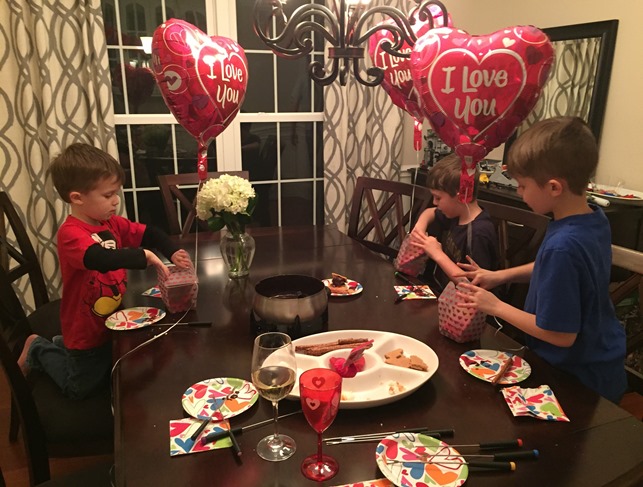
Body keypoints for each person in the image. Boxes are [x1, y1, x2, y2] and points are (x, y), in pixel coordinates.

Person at [456, 116, 627, 403]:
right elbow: (554, 268)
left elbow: (561, 335)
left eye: (523, 185)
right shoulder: (591, 219)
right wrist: (501, 276)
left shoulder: (563, 246)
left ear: (554, 187)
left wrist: (495, 305)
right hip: (601, 363)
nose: (519, 192)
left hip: (578, 380)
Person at [17, 143, 193, 400]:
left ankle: (62, 346)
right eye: (108, 195)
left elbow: (149, 232)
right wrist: (143, 255)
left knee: (112, 367)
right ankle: (37, 348)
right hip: (84, 327)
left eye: (116, 193)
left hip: (110, 318)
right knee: (79, 388)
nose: (116, 200)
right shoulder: (71, 233)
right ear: (77, 198)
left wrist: (172, 250)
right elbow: (98, 258)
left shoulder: (109, 222)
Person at [409, 153, 499, 292]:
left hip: (465, 301)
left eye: (438, 198)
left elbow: (474, 286)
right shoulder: (457, 213)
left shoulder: (479, 233)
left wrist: (437, 254)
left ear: (461, 196)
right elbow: (430, 212)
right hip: (443, 291)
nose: (434, 202)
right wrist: (420, 227)